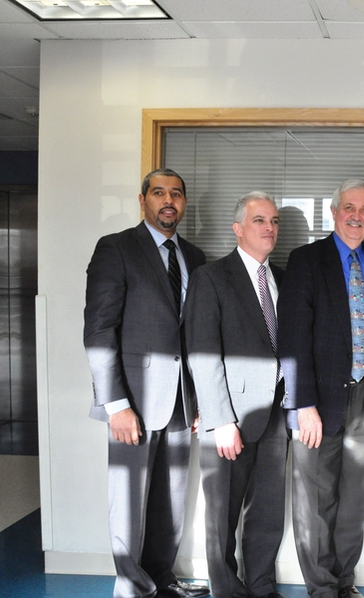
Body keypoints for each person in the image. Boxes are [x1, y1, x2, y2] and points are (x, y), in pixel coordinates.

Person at [84, 168, 209, 598]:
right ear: (143, 201)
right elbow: (99, 331)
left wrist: (200, 399)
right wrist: (115, 404)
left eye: (176, 193)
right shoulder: (116, 248)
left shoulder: (195, 256)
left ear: (184, 203)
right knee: (130, 500)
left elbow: (196, 333)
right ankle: (131, 588)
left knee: (170, 500)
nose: (168, 200)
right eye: (159, 193)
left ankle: (161, 579)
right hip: (133, 402)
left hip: (180, 400)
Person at [278, 180, 364, 598]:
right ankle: (321, 589)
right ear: (334, 212)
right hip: (318, 398)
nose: (356, 215)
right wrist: (302, 404)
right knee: (314, 500)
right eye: (349, 207)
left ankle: (344, 582)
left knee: (353, 500)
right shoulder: (305, 260)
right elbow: (293, 336)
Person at [184, 192, 287, 598]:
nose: (269, 228)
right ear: (238, 228)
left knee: (267, 512)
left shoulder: (281, 277)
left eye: (274, 221)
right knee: (222, 515)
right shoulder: (211, 277)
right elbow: (202, 352)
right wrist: (220, 418)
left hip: (275, 416)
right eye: (260, 220)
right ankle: (226, 590)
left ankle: (261, 587)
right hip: (231, 419)